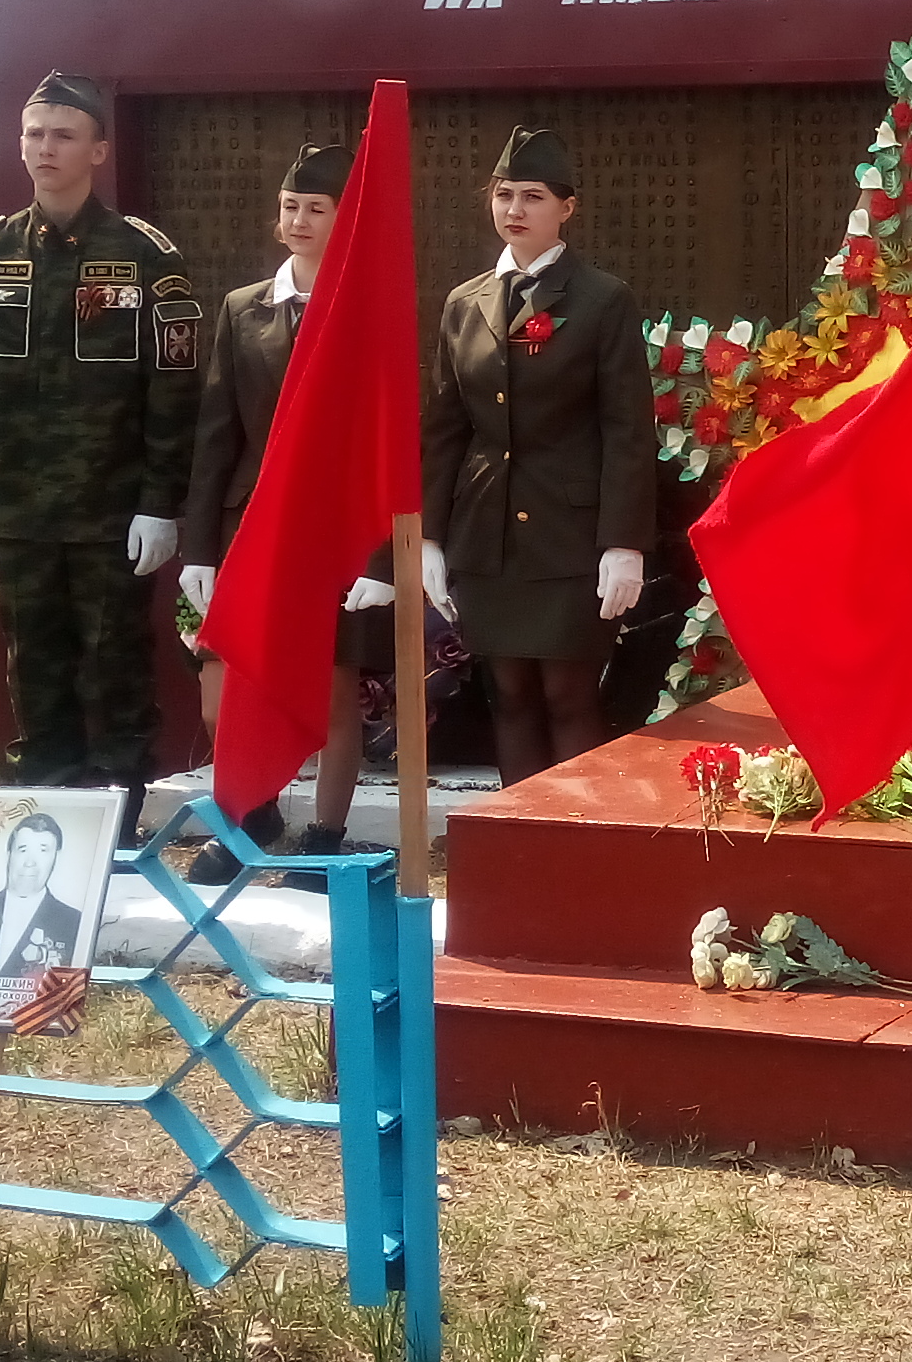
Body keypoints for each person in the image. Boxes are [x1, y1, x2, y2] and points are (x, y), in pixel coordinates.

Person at [0, 73, 203, 799]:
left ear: (98, 151)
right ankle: (51, 813)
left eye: (63, 135)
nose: (45, 148)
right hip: (19, 510)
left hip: (108, 512)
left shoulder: (147, 255)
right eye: (34, 133)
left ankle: (118, 826)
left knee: (115, 668)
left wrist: (160, 500)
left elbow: (173, 387)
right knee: (34, 670)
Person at [177, 143, 394, 870]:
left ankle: (326, 835)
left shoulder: (367, 313)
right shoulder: (245, 309)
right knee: (225, 687)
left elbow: (390, 444)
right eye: (290, 207)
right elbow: (217, 436)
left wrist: (380, 556)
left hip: (334, 535)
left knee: (333, 691)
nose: (299, 221)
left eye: (317, 209)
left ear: (345, 220)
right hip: (253, 530)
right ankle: (251, 812)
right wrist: (200, 548)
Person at [421, 123, 653, 784]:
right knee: (511, 696)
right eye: (503, 195)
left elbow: (627, 428)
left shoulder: (602, 299)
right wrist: (429, 539)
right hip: (487, 536)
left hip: (570, 538)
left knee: (568, 696)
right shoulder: (465, 303)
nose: (515, 211)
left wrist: (623, 542)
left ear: (566, 208)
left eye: (532, 196)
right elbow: (445, 428)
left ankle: (578, 852)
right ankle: (522, 852)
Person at [0, 809, 86, 993]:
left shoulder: (74, 923)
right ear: (8, 855)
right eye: (22, 849)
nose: (30, 862)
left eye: (43, 851)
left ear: (56, 858)